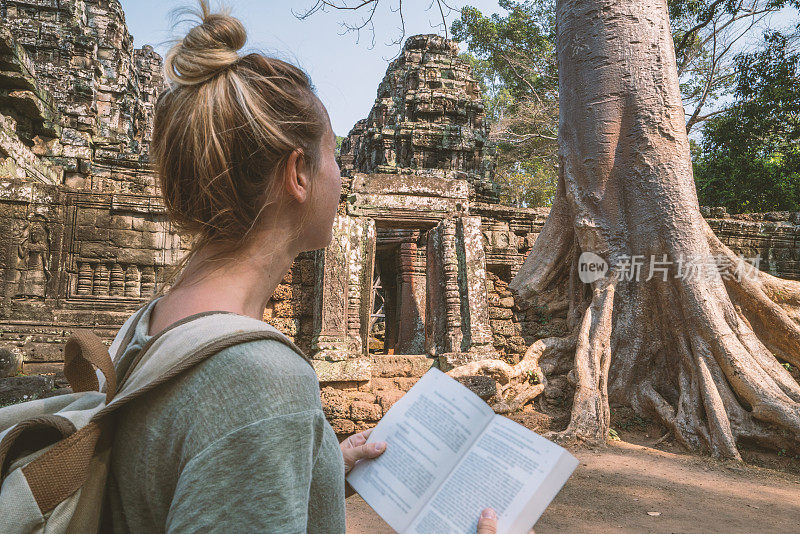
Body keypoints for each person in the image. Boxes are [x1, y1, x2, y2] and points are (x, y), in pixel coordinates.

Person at [106, 1, 506, 532]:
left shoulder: (142, 329)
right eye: (335, 156)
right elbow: (236, 429)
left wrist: (319, 466)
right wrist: (275, 431)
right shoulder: (261, 382)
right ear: (298, 174)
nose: (343, 175)